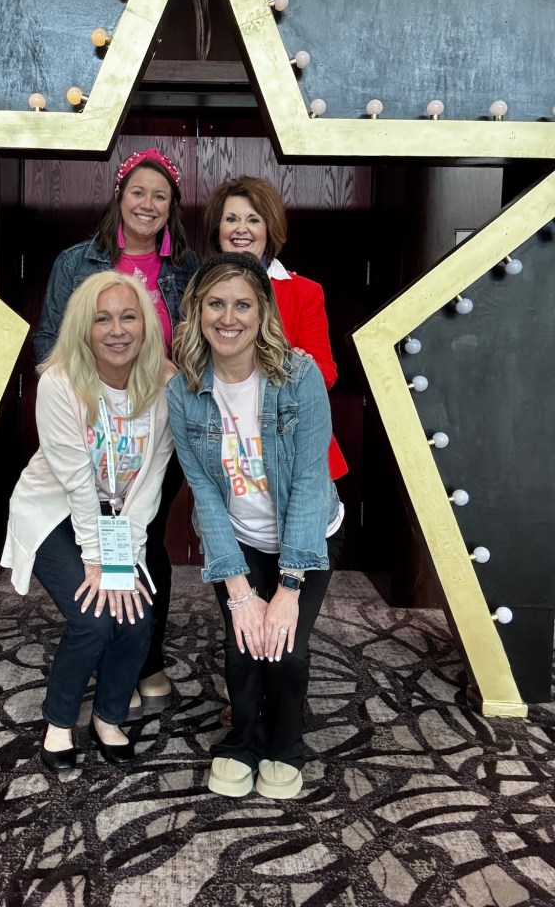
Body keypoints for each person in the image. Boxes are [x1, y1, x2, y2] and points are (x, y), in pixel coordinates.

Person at [166, 253, 344, 799]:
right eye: (215, 304)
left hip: (305, 533)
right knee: (244, 642)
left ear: (262, 310)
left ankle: (285, 744)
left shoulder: (299, 375)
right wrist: (240, 590)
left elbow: (313, 482)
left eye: (242, 304)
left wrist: (288, 587)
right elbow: (205, 495)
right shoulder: (184, 389)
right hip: (239, 538)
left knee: (285, 645)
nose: (228, 317)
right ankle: (244, 740)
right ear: (197, 311)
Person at [33, 148, 200, 712]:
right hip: (88, 420)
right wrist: (68, 404)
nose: (147, 204)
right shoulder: (75, 261)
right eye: (138, 192)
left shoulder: (187, 270)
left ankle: (140, 659)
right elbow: (50, 337)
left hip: (154, 421)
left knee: (145, 534)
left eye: (160, 195)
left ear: (171, 206)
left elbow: (199, 347)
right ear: (120, 197)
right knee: (95, 524)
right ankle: (101, 650)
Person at [2, 271, 175, 771]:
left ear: (145, 324)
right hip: (54, 511)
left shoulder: (165, 383)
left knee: (139, 617)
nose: (117, 329)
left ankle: (108, 716)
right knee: (94, 619)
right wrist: (99, 563)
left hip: (117, 515)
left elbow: (148, 486)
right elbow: (78, 484)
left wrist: (129, 560)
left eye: (128, 316)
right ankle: (58, 723)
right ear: (84, 328)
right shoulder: (59, 382)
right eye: (102, 319)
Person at [205, 175, 347, 481]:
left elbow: (327, 372)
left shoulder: (304, 292)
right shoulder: (201, 291)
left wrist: (294, 368)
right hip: (226, 448)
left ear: (269, 229)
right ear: (219, 231)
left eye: (253, 219)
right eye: (231, 219)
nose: (241, 228)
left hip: (295, 448)